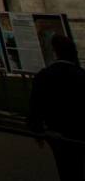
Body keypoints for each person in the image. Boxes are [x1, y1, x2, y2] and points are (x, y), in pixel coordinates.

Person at [28, 35, 85, 181]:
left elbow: (36, 105)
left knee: (67, 169)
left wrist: (36, 130)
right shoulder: (81, 75)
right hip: (80, 130)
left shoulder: (45, 75)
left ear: (55, 52)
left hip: (58, 131)